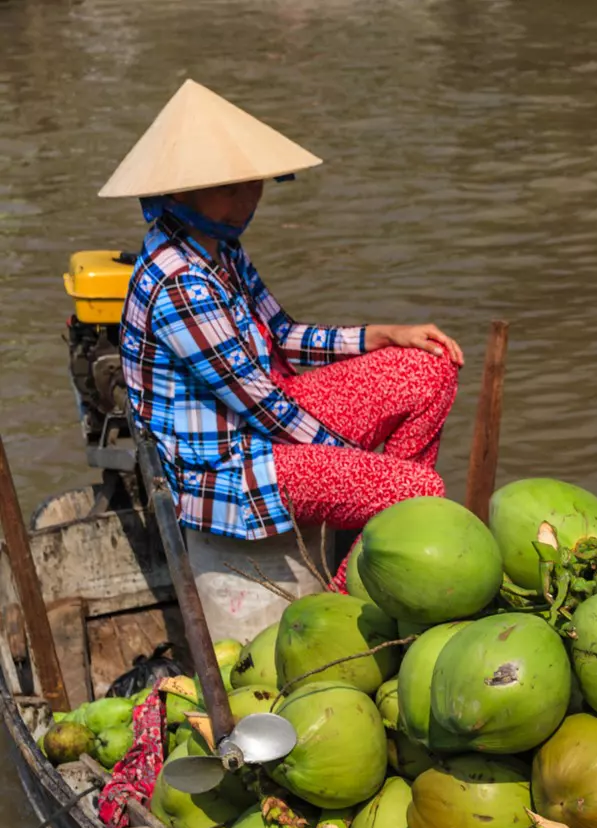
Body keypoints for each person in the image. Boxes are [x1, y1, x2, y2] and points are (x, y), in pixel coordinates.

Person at [106, 81, 463, 545]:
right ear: (180, 195)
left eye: (252, 183)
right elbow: (261, 404)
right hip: (226, 470)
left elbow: (280, 333)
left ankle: (380, 543)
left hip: (260, 425)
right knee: (418, 489)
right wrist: (357, 462)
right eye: (228, 189)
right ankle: (360, 582)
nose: (247, 200)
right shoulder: (180, 282)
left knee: (429, 368)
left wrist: (380, 335)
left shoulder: (220, 249)